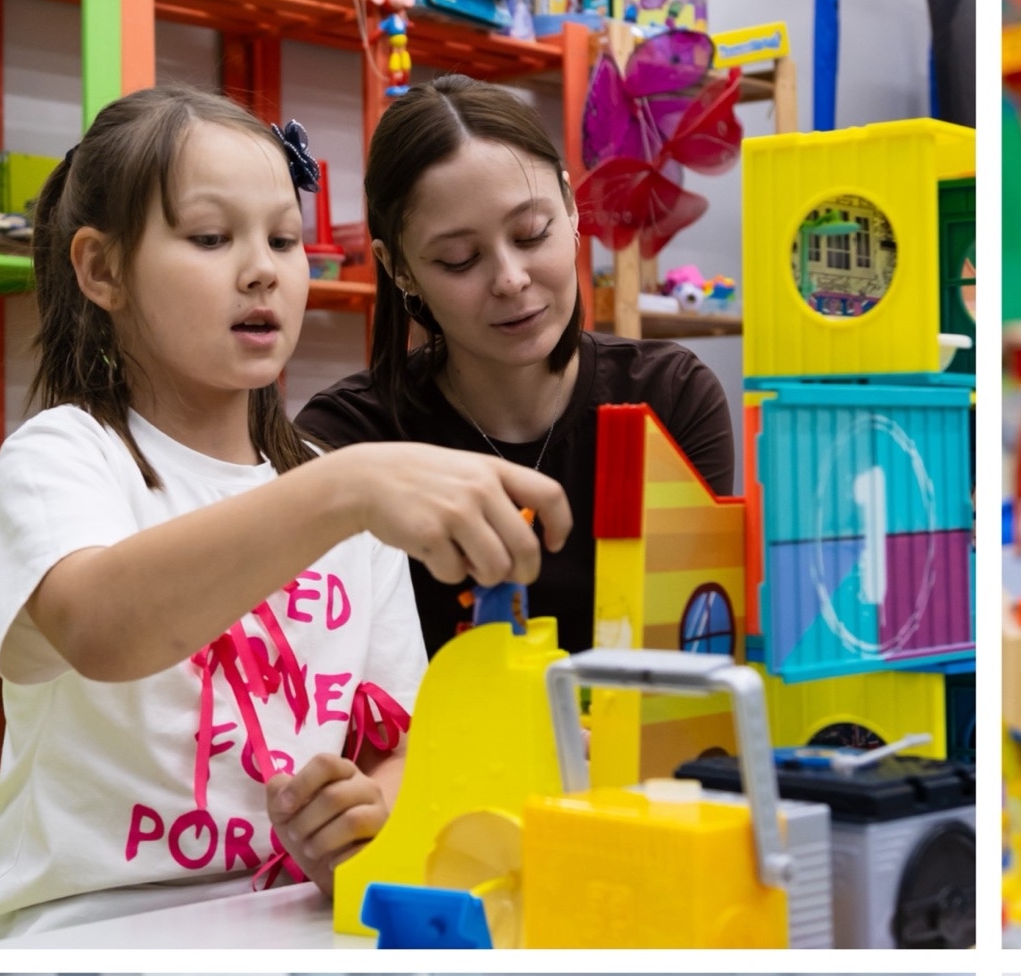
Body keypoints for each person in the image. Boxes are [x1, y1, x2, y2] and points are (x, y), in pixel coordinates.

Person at [0, 85, 559, 943]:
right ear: (102, 270)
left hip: (290, 921)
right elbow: (99, 627)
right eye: (211, 238)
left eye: (283, 238)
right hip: (86, 934)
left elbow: (399, 745)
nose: (262, 270)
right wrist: (343, 490)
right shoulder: (64, 455)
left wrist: (363, 815)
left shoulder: (333, 488)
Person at [293, 76, 735, 661]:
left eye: (531, 234)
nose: (510, 279)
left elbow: (693, 644)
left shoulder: (670, 398)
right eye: (459, 259)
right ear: (397, 267)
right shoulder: (345, 439)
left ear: (571, 209)